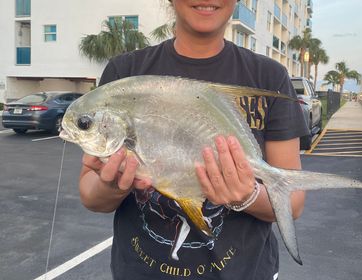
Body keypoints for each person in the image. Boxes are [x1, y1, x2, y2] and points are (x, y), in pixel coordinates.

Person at [79, 1, 309, 279]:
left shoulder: (269, 76)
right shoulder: (124, 73)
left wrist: (247, 196)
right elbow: (91, 196)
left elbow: (292, 201)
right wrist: (113, 185)